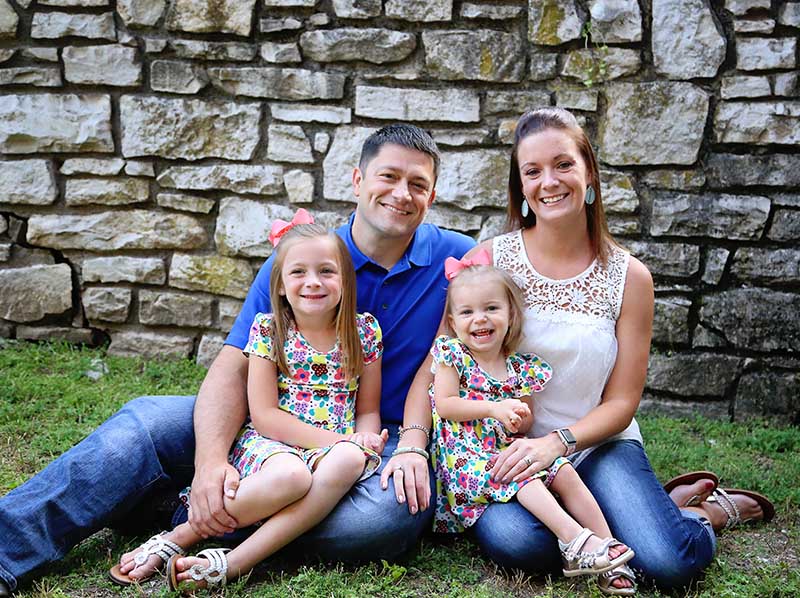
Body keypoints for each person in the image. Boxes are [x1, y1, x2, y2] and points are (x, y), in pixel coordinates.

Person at [0, 123, 474, 596]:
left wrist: (411, 441)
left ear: (432, 195)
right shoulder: (301, 255)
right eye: (388, 176)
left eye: (418, 184)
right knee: (145, 424)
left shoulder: (457, 260)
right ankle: (8, 551)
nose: (401, 193)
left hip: (374, 440)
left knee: (382, 520)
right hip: (266, 422)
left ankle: (184, 516)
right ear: (357, 181)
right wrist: (209, 463)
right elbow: (234, 365)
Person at [450, 107, 773, 591]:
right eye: (532, 171)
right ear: (520, 187)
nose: (549, 182)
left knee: (667, 563)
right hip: (509, 450)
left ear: (589, 173)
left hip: (596, 442)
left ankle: (704, 515)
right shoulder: (492, 259)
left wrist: (557, 443)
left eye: (563, 165)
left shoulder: (630, 277)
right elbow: (446, 356)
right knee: (521, 544)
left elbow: (622, 402)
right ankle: (637, 515)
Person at [110, 216, 388, 590]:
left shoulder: (364, 332)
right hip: (272, 444)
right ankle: (180, 535)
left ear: (345, 280)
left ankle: (234, 562)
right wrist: (340, 441)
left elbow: (367, 410)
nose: (313, 282)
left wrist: (364, 440)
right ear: (281, 285)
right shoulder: (269, 330)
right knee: (293, 476)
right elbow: (265, 416)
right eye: (298, 272)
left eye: (327, 271)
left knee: (353, 459)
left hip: (332, 449)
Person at [429, 255, 635, 594]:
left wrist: (518, 419)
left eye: (491, 308)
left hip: (501, 451)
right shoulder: (453, 355)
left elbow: (523, 424)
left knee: (563, 470)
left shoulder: (521, 368)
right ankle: (574, 542)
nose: (480, 319)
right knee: (526, 477)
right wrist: (494, 409)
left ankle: (608, 549)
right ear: (453, 321)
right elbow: (447, 405)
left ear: (510, 315)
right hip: (465, 461)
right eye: (467, 312)